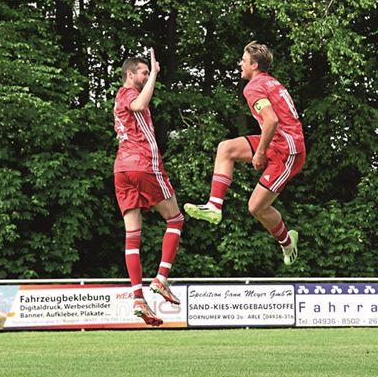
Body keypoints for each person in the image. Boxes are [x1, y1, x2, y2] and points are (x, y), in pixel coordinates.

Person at [183, 41, 306, 266]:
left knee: (256, 207)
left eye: (244, 60)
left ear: (255, 65)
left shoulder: (253, 87)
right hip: (278, 140)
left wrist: (259, 153)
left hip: (288, 150)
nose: (241, 63)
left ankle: (288, 243)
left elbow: (271, 120)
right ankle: (214, 206)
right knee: (225, 148)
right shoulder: (270, 82)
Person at [113, 50, 184, 326]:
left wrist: (152, 74)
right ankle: (162, 278)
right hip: (142, 164)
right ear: (130, 74)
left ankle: (138, 298)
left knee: (133, 235)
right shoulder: (129, 93)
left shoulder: (119, 96)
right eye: (142, 72)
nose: (147, 75)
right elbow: (140, 105)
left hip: (122, 169)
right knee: (176, 219)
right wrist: (153, 74)